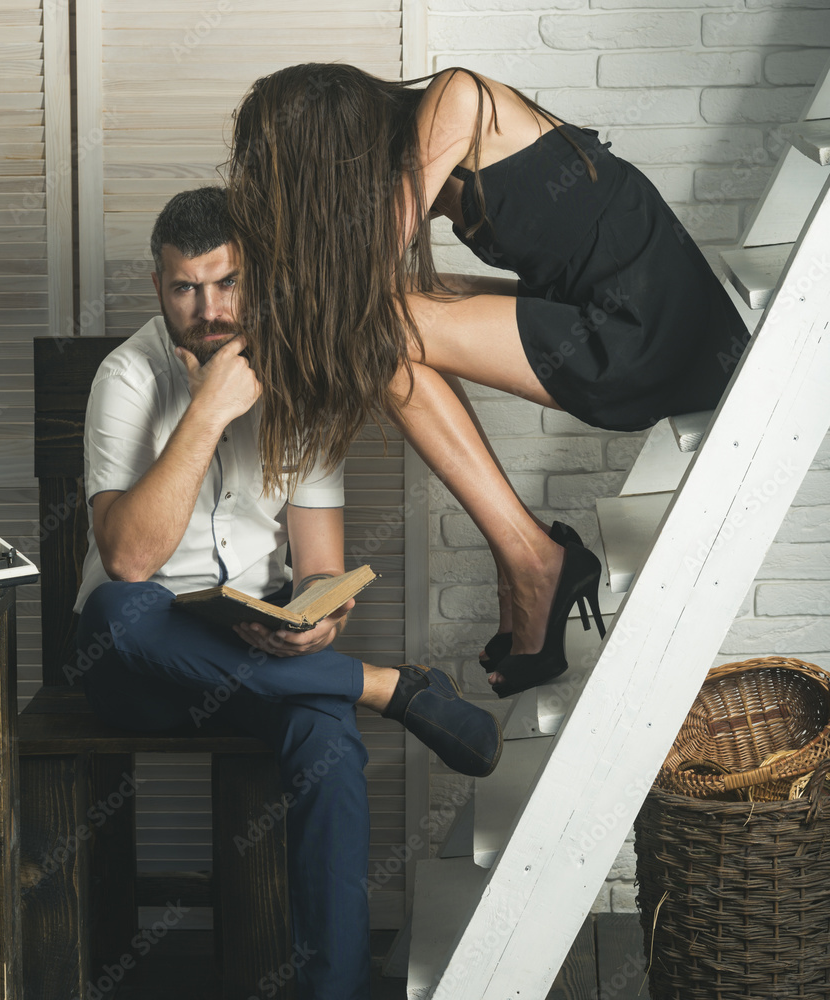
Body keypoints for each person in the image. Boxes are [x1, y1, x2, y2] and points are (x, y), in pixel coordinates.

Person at [72, 186, 502, 1000]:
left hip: (260, 651)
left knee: (330, 746)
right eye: (184, 289)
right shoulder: (127, 377)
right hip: (140, 665)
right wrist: (207, 413)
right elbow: (128, 558)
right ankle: (389, 688)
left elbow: (318, 568)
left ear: (258, 276)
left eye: (227, 282)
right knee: (118, 613)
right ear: (157, 286)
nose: (208, 309)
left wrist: (319, 618)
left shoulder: (303, 385)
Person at [225, 63, 749, 698]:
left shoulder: (457, 99)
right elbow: (532, 281)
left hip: (653, 337)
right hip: (621, 328)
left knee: (377, 330)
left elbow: (362, 286)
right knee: (397, 320)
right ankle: (525, 560)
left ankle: (533, 562)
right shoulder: (429, 162)